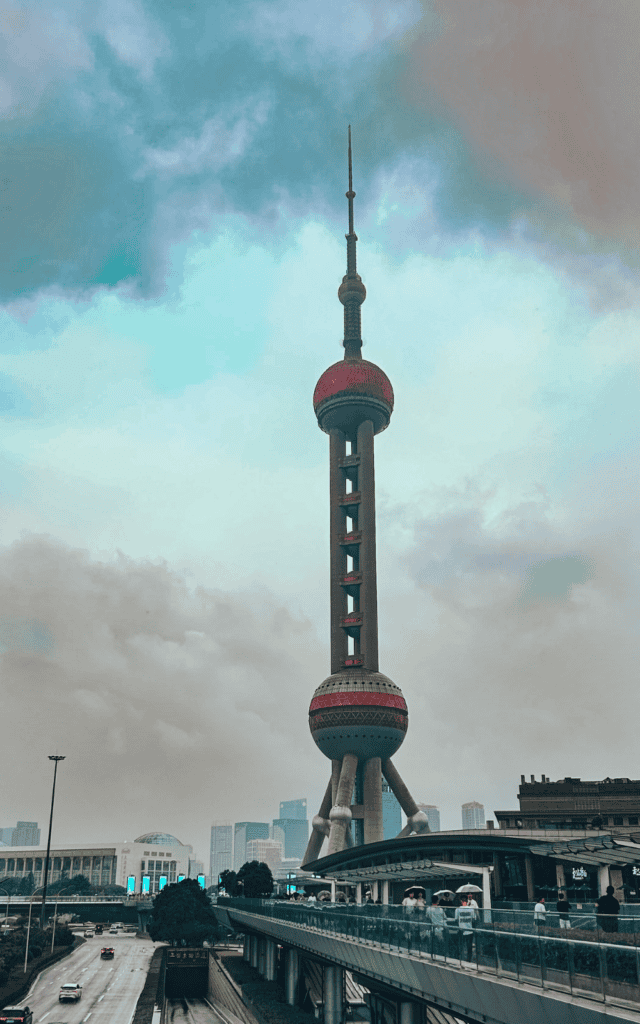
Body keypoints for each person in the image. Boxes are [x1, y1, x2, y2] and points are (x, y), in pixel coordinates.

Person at [454, 897, 477, 961]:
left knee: (460, 946)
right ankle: (469, 960)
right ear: (467, 901)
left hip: (461, 930)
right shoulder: (471, 909)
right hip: (469, 930)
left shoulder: (457, 910)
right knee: (469, 947)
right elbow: (473, 920)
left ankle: (460, 959)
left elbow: (456, 920)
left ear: (461, 901)